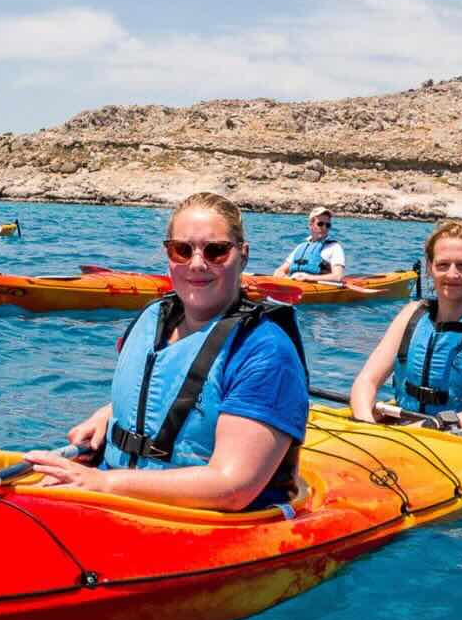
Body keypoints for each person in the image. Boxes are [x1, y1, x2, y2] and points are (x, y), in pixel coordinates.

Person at [26, 192, 310, 512]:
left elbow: (233, 487)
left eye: (216, 251)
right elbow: (168, 387)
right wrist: (109, 414)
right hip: (122, 491)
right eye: (182, 250)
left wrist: (104, 484)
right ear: (168, 254)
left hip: (208, 521)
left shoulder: (265, 352)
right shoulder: (157, 318)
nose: (197, 263)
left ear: (243, 255)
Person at [349, 220, 462, 437]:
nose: (452, 274)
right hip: (403, 433)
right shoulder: (412, 313)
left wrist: (424, 430)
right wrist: (366, 427)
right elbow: (366, 382)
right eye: (443, 265)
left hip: (460, 443)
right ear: (429, 268)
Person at [273, 206, 345, 282]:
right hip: (295, 285)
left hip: (318, 287)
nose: (324, 228)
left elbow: (337, 276)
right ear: (311, 225)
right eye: (320, 224)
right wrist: (286, 278)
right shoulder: (301, 247)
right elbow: (279, 271)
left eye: (328, 225)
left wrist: (308, 277)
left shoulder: (334, 247)